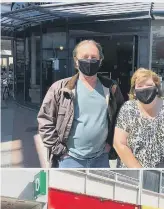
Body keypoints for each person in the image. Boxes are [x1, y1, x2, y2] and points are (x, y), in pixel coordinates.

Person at [38, 40, 124, 168]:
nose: (89, 61)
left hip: (100, 158)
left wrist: (111, 143)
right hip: (69, 159)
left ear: (100, 60)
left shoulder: (111, 88)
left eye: (94, 57)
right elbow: (45, 121)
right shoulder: (60, 88)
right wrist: (59, 150)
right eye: (85, 57)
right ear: (76, 61)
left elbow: (121, 119)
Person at [113, 68, 164, 168]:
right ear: (134, 91)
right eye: (140, 86)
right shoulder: (128, 108)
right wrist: (138, 169)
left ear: (156, 88)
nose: (145, 89)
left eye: (149, 85)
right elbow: (119, 143)